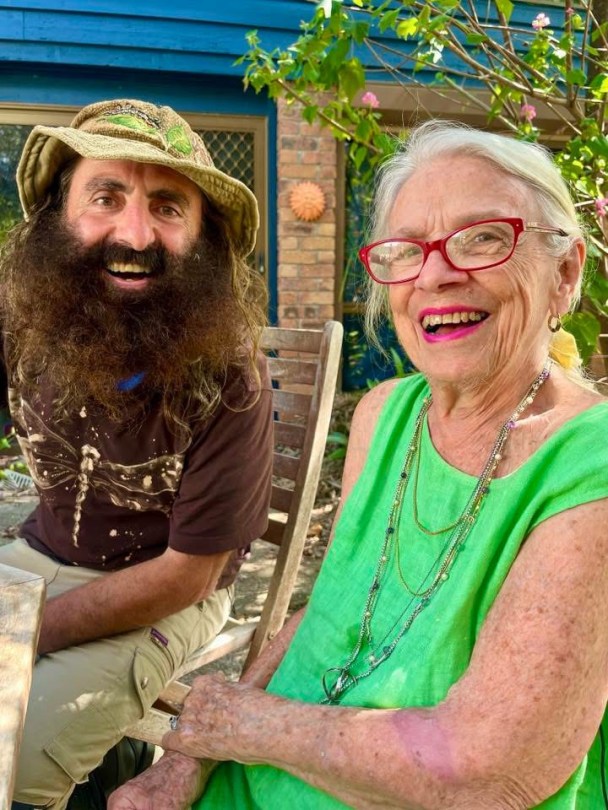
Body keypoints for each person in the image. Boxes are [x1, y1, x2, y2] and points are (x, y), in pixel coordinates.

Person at [110, 120, 608, 810]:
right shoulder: (384, 413)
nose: (435, 273)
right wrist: (190, 756)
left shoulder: (590, 465)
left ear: (565, 272)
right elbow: (330, 608)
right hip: (256, 767)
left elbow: (484, 773)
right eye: (407, 250)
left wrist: (246, 726)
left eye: (483, 238)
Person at [0, 98, 273, 809]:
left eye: (167, 207)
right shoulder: (23, 322)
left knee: (9, 760)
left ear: (204, 237)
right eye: (106, 197)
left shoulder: (231, 377)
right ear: (58, 213)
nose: (134, 233)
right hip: (36, 556)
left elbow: (189, 575)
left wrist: (25, 635)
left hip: (166, 592)